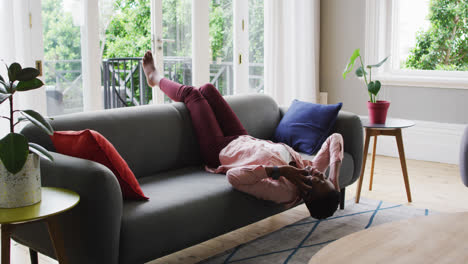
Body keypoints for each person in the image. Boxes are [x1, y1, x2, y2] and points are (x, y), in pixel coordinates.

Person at [142, 51, 343, 219]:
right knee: (208, 89)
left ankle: (154, 78)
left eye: (319, 181)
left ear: (307, 194)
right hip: (242, 138)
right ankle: (157, 80)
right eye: (323, 178)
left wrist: (279, 171)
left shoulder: (284, 191)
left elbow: (234, 177)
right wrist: (333, 177)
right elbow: (335, 139)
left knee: (192, 94)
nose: (318, 174)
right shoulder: (309, 171)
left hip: (220, 150)